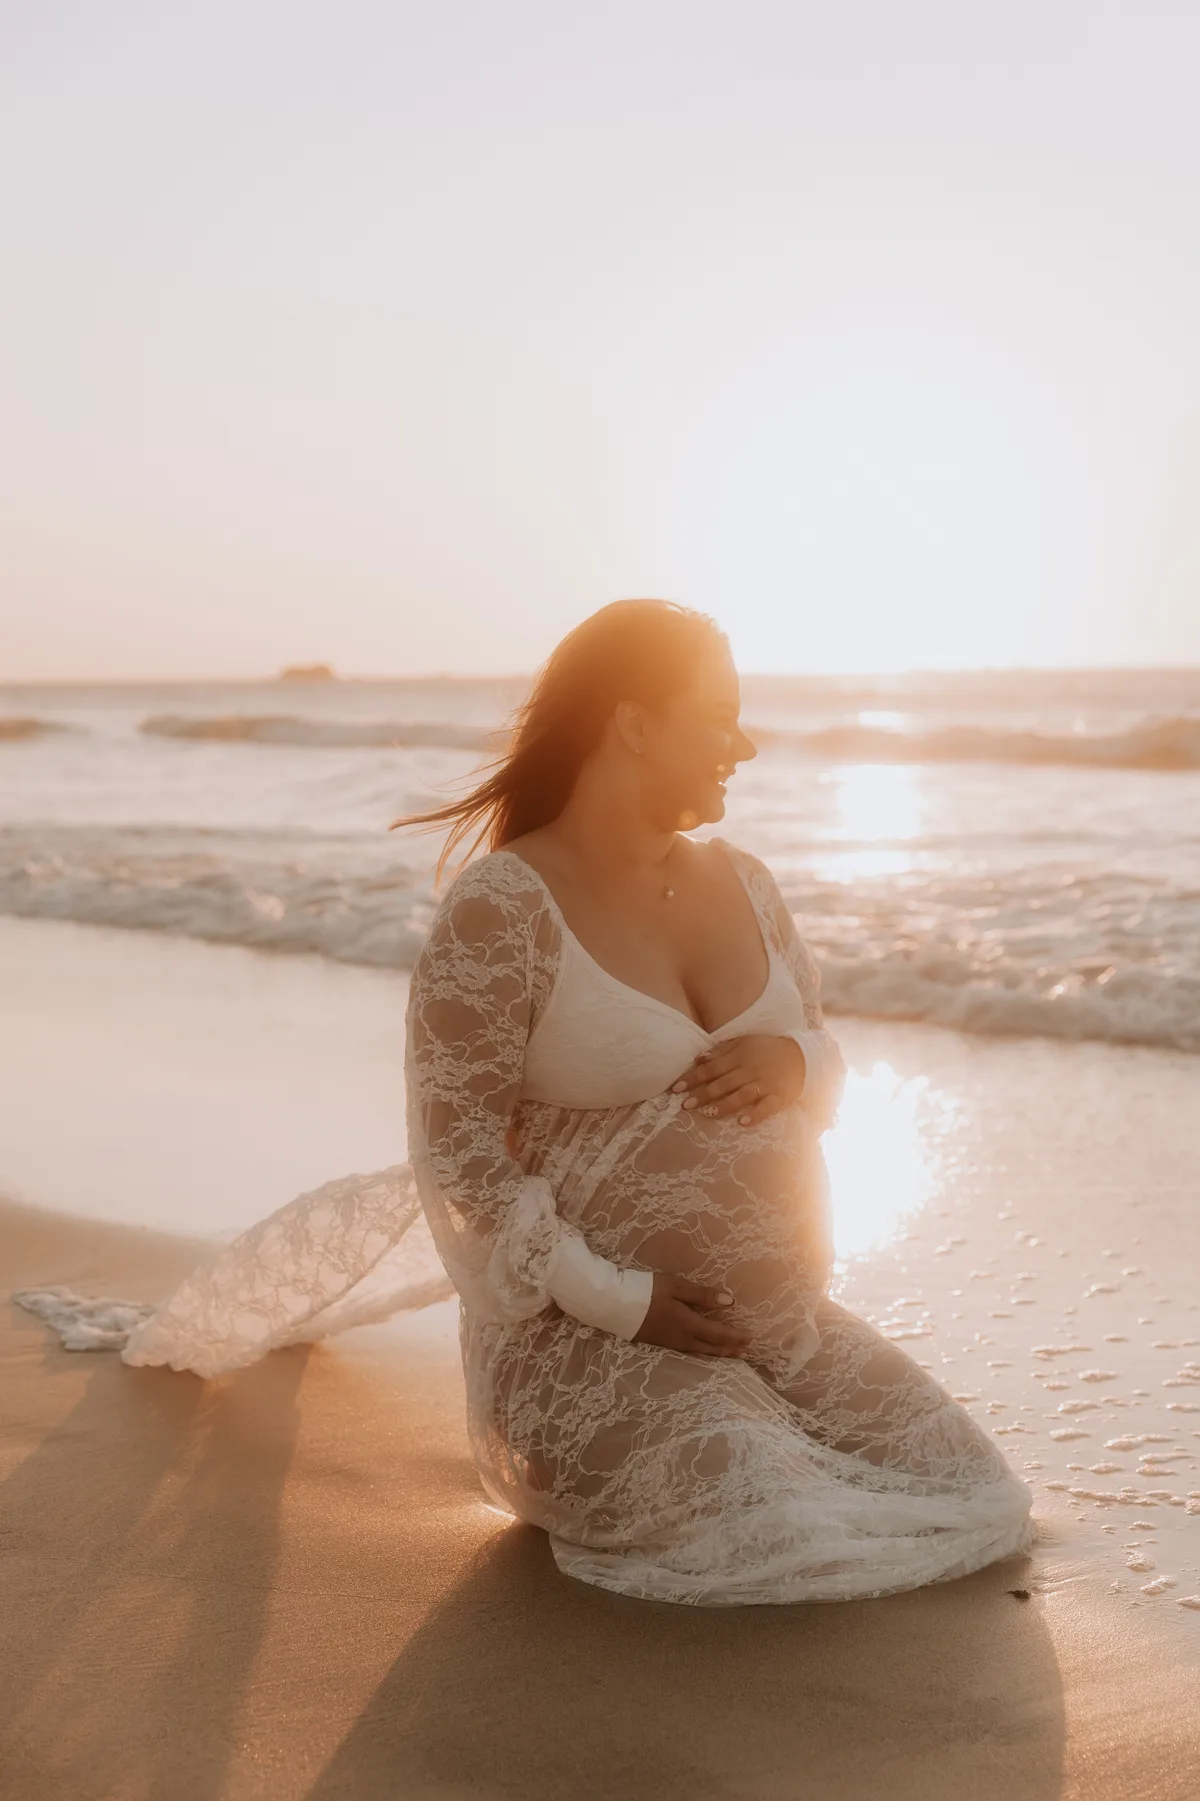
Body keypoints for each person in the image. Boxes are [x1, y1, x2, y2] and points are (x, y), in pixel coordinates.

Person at [15, 599, 1035, 1606]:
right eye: (720, 714)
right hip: (583, 1345)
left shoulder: (751, 882)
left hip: (782, 1333)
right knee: (772, 1526)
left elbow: (825, 1064)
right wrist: (624, 1302)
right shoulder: (501, 908)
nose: (747, 744)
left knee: (975, 1492)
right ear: (634, 721)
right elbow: (458, 1160)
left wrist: (799, 1063)